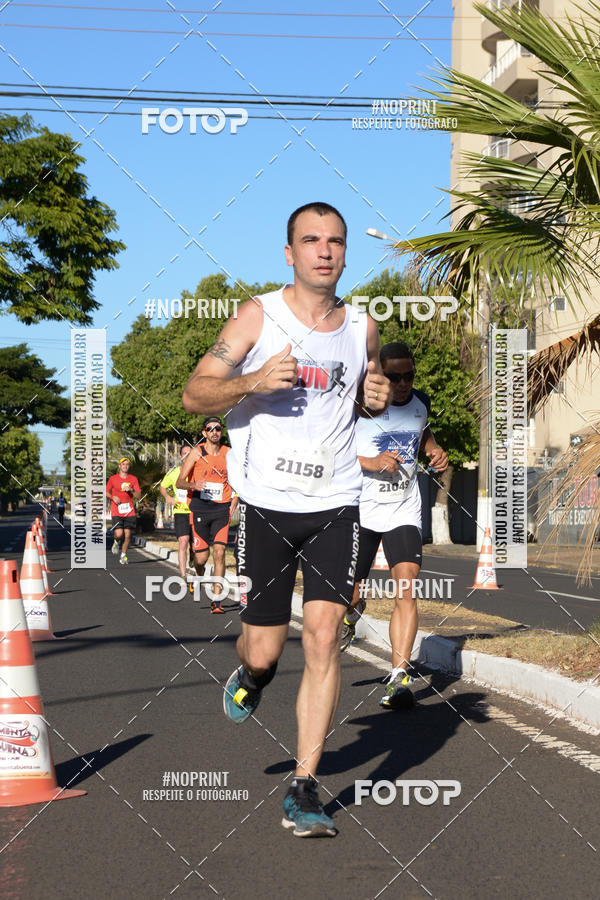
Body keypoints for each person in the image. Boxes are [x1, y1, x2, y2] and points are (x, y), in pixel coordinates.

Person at [182, 201, 391, 837]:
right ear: (289, 253)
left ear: (346, 252)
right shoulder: (257, 316)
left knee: (324, 637)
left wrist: (376, 396)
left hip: (337, 503)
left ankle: (304, 789)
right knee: (266, 650)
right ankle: (251, 674)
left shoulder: (364, 327)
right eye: (311, 240)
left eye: (335, 241)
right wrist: (250, 382)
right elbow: (194, 393)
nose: (324, 251)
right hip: (267, 507)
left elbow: (367, 395)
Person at [341, 341, 448, 710]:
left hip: (403, 509)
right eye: (395, 376)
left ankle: (399, 676)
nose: (403, 383)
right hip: (361, 509)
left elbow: (425, 438)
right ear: (380, 374)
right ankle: (352, 613)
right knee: (349, 596)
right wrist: (371, 463)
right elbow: (331, 452)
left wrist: (435, 453)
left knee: (406, 589)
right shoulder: (357, 404)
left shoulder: (421, 403)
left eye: (409, 376)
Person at [176, 417, 238, 612]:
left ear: (221, 432)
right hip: (200, 509)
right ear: (204, 433)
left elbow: (238, 480)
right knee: (201, 559)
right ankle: (198, 573)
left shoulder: (229, 453)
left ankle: (216, 600)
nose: (214, 432)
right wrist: (193, 485)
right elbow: (179, 482)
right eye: (210, 429)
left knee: (220, 553)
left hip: (221, 509)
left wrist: (234, 501)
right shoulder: (197, 452)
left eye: (218, 428)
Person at [160, 445, 194, 582]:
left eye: (190, 453)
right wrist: (168, 497)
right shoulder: (174, 472)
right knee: (183, 541)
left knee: (195, 545)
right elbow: (162, 487)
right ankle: (183, 575)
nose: (187, 456)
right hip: (180, 511)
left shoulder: (197, 471)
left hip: (196, 511)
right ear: (181, 456)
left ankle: (193, 554)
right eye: (185, 453)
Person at [106, 457, 141, 564]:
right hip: (116, 511)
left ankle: (123, 555)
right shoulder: (113, 478)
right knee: (119, 534)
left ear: (129, 466)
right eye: (123, 464)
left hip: (129, 511)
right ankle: (116, 541)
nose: (125, 466)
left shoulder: (133, 479)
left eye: (127, 464)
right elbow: (106, 491)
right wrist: (112, 497)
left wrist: (132, 490)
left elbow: (138, 496)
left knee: (128, 535)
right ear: (119, 466)